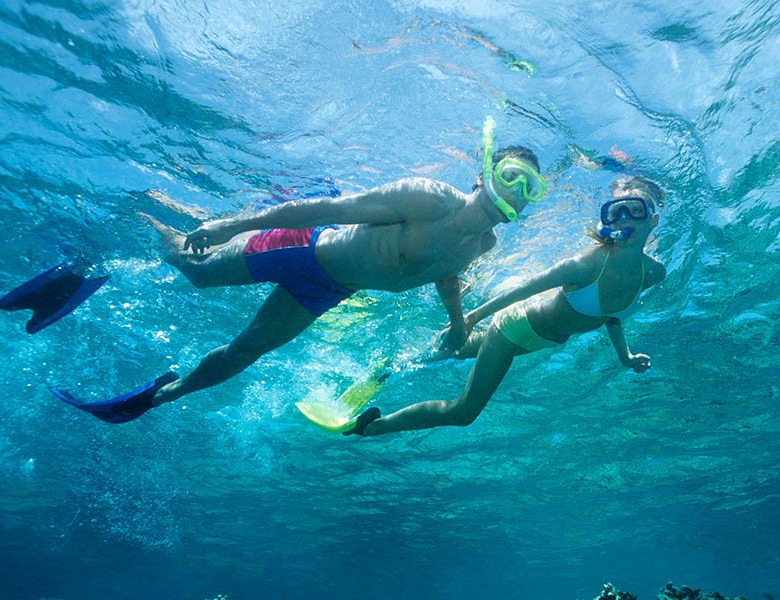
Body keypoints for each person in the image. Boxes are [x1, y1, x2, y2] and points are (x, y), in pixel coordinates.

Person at [50, 119, 547, 424]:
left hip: (328, 289)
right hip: (301, 249)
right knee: (193, 270)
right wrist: (232, 224)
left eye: (530, 189)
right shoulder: (428, 198)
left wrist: (459, 325)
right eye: (510, 178)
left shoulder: (484, 243)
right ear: (483, 173)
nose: (516, 193)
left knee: (245, 352)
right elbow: (320, 208)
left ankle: (161, 396)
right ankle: (144, 213)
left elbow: (446, 277)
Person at [349, 175, 667, 437]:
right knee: (464, 413)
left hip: (539, 340)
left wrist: (625, 356)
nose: (624, 219)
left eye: (634, 211)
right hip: (513, 329)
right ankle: (373, 427)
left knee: (449, 352)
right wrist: (471, 318)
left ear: (652, 220)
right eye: (616, 212)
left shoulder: (652, 273)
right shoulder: (587, 264)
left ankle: (390, 368)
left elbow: (611, 315)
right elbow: (524, 289)